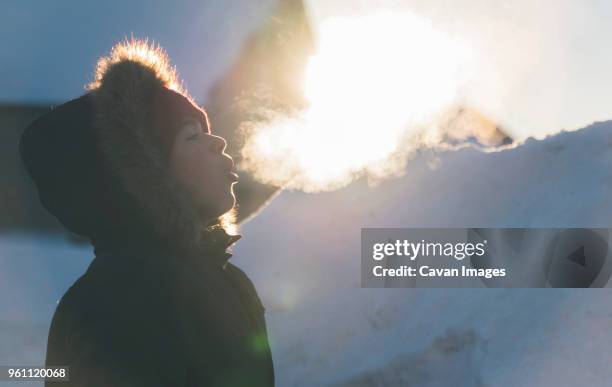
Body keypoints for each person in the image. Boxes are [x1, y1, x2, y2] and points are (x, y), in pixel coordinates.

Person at [19, 38, 274, 386]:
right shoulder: (119, 300)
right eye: (192, 136)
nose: (219, 143)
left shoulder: (227, 281)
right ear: (147, 173)